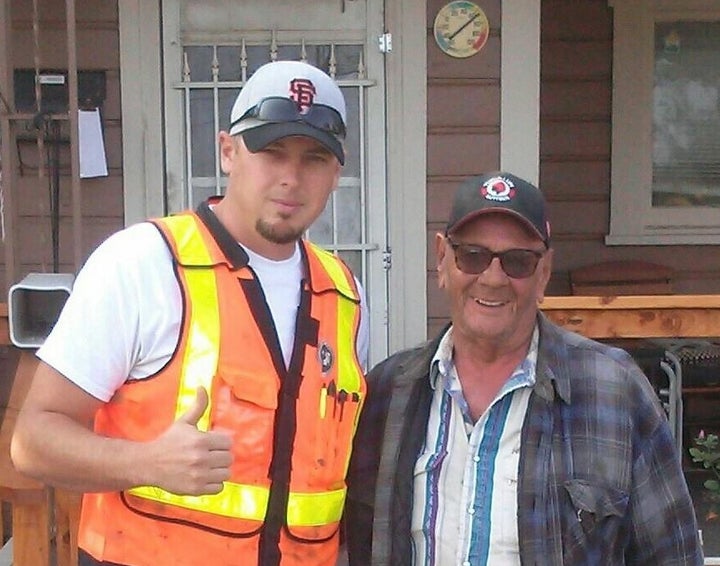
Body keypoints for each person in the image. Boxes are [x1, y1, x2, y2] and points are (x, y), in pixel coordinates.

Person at [11, 60, 369, 566]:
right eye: (271, 152)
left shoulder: (345, 293)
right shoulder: (143, 262)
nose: (291, 178)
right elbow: (33, 441)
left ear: (337, 171)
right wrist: (146, 462)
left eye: (313, 158)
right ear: (228, 150)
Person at [344, 172, 703, 565]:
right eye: (473, 256)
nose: (493, 278)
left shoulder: (615, 392)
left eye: (518, 261)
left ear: (544, 272)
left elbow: (673, 555)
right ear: (442, 260)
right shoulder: (388, 392)